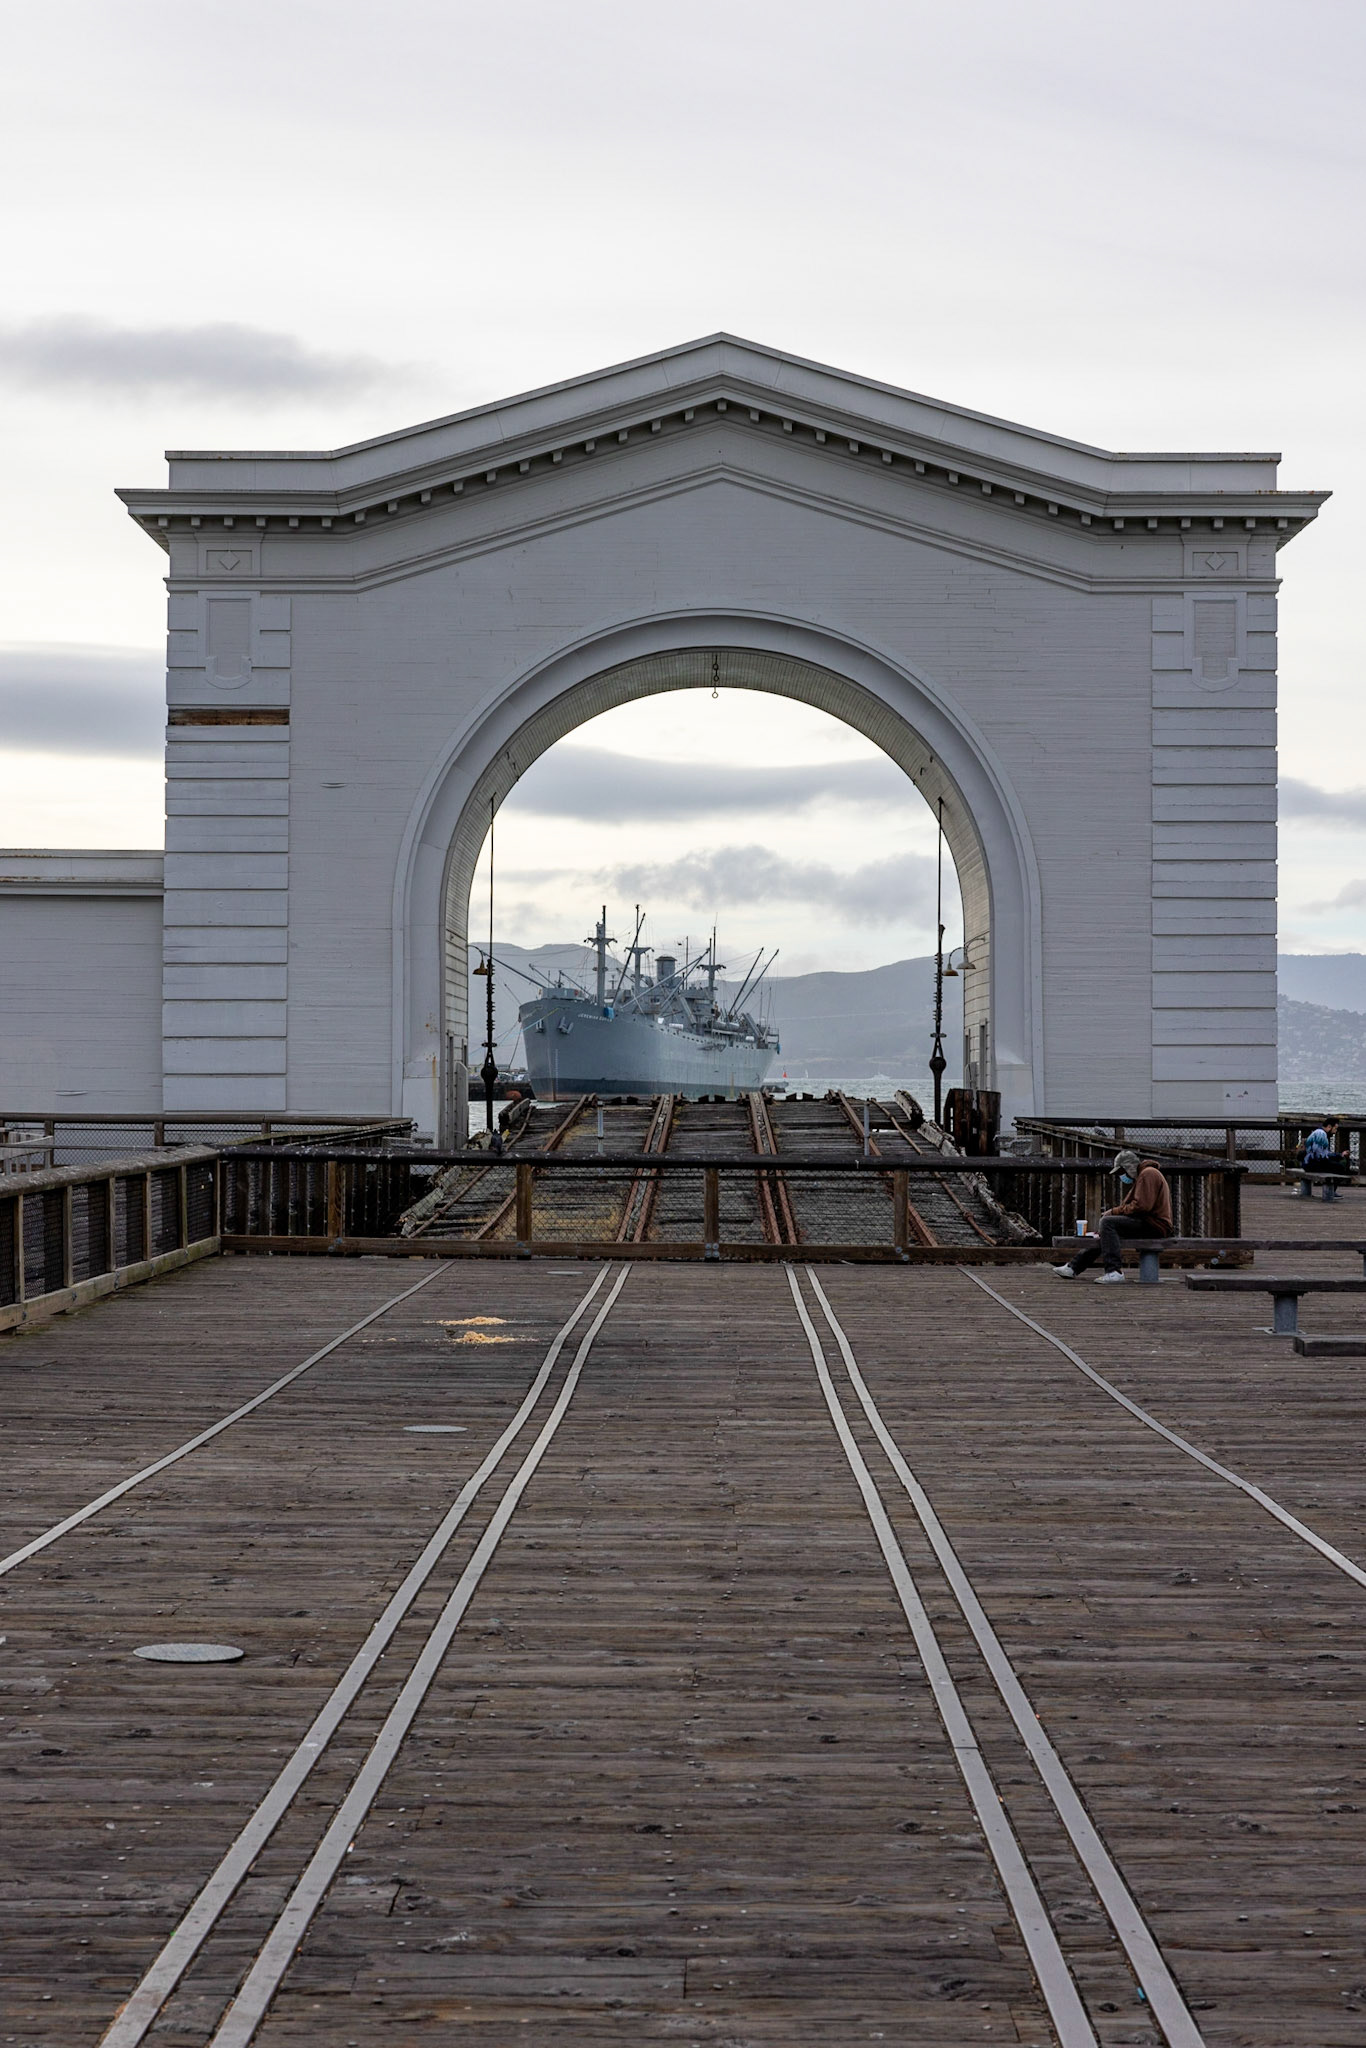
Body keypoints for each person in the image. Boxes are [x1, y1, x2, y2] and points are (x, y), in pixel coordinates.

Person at [1053, 1150, 1172, 1283]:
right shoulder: (1144, 1175)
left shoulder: (1148, 1173)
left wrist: (1114, 1212)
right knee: (1106, 1232)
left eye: (1121, 1172)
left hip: (1155, 1225)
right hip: (1149, 1222)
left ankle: (1114, 1271)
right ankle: (1073, 1267)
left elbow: (1142, 1206)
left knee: (1107, 1222)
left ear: (1128, 1167)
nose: (1121, 1176)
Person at [1298, 1120, 1345, 1197]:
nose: (1335, 1131)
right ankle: (1331, 1192)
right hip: (1313, 1164)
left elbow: (1323, 1153)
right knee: (1340, 1168)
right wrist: (1337, 1157)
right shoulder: (1321, 1134)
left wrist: (1339, 1155)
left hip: (1308, 1163)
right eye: (1335, 1128)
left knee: (1336, 1164)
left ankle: (1332, 1191)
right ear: (1329, 1127)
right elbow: (1320, 1155)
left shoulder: (1318, 1132)